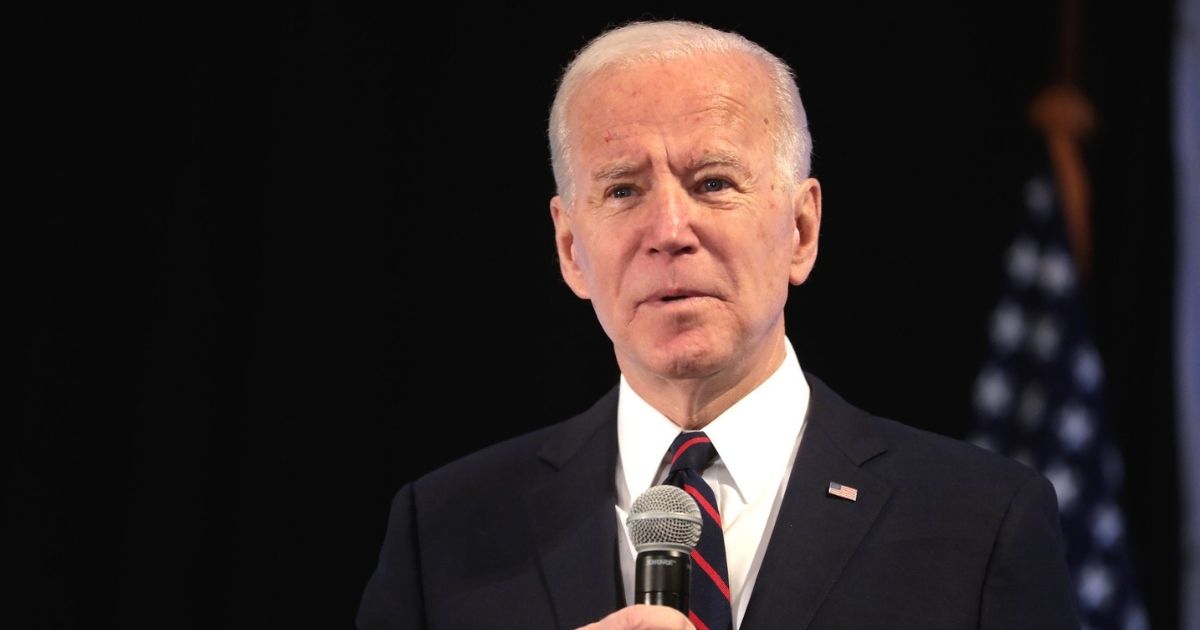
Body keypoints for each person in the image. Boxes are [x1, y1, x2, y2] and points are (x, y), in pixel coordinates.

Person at [358, 20, 1079, 629]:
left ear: (800, 229)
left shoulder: (981, 522)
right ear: (571, 249)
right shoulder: (445, 530)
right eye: (622, 189)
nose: (669, 230)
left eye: (712, 183)